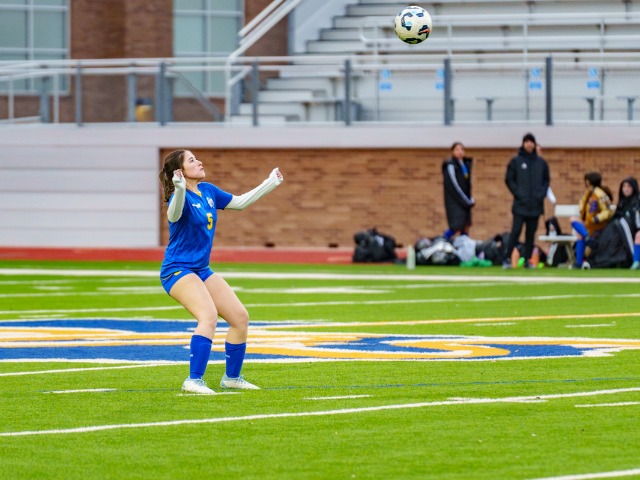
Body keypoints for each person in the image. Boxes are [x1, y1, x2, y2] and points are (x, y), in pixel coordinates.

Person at [159, 149, 284, 394]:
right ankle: (193, 380)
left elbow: (240, 202)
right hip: (177, 269)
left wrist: (270, 183)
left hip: (201, 269)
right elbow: (174, 214)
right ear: (180, 171)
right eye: (192, 160)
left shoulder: (208, 191)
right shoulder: (178, 196)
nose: (199, 162)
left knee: (240, 317)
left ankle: (232, 378)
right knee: (208, 316)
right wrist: (180, 188)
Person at [503, 132, 550, 268]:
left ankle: (527, 260)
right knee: (516, 231)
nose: (529, 144)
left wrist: (540, 195)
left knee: (530, 233)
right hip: (520, 204)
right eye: (527, 142)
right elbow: (509, 179)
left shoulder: (541, 163)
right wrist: (519, 194)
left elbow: (546, 181)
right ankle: (507, 258)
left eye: (531, 142)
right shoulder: (516, 162)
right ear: (523, 144)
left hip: (535, 205)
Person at [570, 172, 613, 269]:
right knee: (577, 229)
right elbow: (582, 207)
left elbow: (607, 211)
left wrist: (596, 218)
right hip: (589, 225)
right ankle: (579, 262)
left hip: (598, 226)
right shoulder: (588, 193)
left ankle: (587, 239)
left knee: (577, 229)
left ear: (589, 181)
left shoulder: (600, 194)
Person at [442, 142, 474, 240]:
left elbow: (467, 184)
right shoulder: (451, 166)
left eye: (462, 149)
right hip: (456, 202)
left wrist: (470, 198)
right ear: (452, 152)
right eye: (457, 149)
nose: (460, 151)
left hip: (465, 202)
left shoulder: (465, 165)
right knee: (456, 227)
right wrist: (465, 200)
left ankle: (464, 246)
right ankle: (442, 240)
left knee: (466, 226)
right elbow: (454, 185)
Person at [613, 177, 640, 269]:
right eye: (624, 186)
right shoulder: (622, 203)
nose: (626, 189)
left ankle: (636, 261)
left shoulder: (637, 201)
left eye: (629, 186)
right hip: (628, 231)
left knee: (638, 235)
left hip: (636, 230)